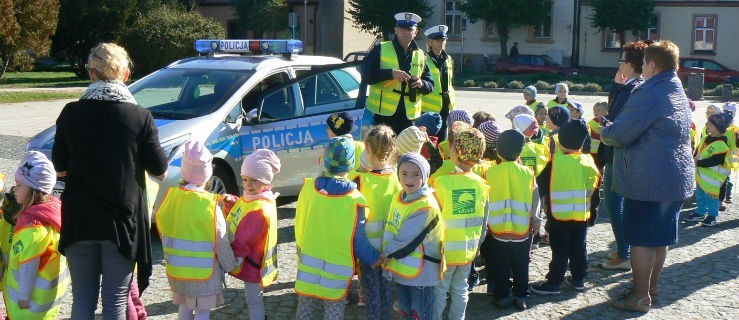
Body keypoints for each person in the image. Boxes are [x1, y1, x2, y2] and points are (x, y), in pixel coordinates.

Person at [51, 42, 168, 319]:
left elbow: (60, 169)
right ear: (126, 75)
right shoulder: (140, 117)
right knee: (115, 300)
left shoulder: (71, 113)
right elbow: (160, 171)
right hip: (122, 221)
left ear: (91, 74)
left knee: (83, 298)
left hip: (80, 216)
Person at [600, 40, 694, 313]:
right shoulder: (676, 87)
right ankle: (650, 288)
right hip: (675, 177)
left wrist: (605, 131)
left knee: (641, 238)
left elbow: (620, 134)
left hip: (649, 179)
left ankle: (640, 296)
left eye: (643, 65)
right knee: (658, 238)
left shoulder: (649, 92)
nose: (641, 69)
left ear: (652, 65)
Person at [294, 136, 381, 320]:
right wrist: (373, 257)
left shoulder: (309, 189)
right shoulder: (355, 199)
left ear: (326, 161)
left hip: (309, 264)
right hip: (337, 270)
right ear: (351, 165)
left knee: (305, 309)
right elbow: (359, 239)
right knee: (333, 311)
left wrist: (301, 249)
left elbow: (299, 224)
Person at [155, 141, 238, 320]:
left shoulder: (171, 197)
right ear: (207, 176)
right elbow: (220, 239)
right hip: (203, 273)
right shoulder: (210, 204)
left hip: (178, 270)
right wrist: (231, 264)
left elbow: (162, 227)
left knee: (185, 306)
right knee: (203, 311)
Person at [530, 120, 599, 295]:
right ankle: (578, 279)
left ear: (559, 142)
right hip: (581, 216)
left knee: (560, 251)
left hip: (558, 217)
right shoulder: (589, 162)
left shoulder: (554, 164)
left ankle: (554, 282)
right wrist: (592, 215)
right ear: (583, 142)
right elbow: (595, 191)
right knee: (579, 247)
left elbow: (541, 187)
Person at [599, 40, 648, 271]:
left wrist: (607, 125)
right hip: (618, 152)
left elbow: (617, 117)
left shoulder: (632, 88)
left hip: (620, 152)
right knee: (616, 203)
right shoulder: (628, 85)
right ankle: (623, 249)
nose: (619, 63)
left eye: (621, 59)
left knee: (613, 202)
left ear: (630, 64)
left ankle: (624, 253)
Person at [432, 126, 490, 320]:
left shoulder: (441, 183)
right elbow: (484, 221)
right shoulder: (482, 186)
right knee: (461, 288)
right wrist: (477, 245)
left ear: (454, 152)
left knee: (439, 290)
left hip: (445, 251)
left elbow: (433, 220)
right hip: (468, 250)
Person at [3, 151, 69, 319]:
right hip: (47, 303)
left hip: (28, 308)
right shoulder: (52, 211)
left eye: (19, 185)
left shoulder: (33, 228)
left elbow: (29, 267)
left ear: (34, 191)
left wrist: (23, 297)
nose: (14, 189)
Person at [381, 152, 444, 320]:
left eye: (416, 174)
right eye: (404, 173)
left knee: (421, 314)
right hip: (403, 270)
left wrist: (385, 253)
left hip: (421, 274)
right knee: (406, 311)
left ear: (425, 176)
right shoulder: (399, 196)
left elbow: (406, 240)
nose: (409, 179)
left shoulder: (426, 206)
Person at [349, 125, 401, 319]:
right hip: (389, 246)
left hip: (367, 248)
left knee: (371, 291)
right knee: (386, 289)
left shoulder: (359, 179)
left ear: (367, 149)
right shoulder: (397, 178)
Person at [485, 129, 541, 311]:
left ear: (498, 151)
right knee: (521, 265)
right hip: (521, 231)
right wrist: (536, 221)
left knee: (500, 265)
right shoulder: (528, 174)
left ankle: (501, 296)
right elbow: (535, 199)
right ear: (521, 151)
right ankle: (520, 296)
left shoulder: (490, 173)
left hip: (498, 230)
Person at [226, 149, 281, 320]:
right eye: (244, 180)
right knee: (253, 298)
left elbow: (244, 238)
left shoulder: (259, 209)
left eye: (254, 181)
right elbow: (242, 210)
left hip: (253, 262)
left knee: (253, 299)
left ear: (266, 181)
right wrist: (232, 203)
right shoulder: (252, 198)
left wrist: (230, 258)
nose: (248, 185)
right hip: (252, 260)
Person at [365, 12, 434, 135]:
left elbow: (430, 85)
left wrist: (421, 83)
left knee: (405, 153)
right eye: (402, 29)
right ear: (396, 30)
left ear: (416, 32)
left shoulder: (421, 55)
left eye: (409, 30)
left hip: (409, 118)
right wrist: (390, 74)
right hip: (384, 117)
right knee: (383, 153)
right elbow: (366, 75)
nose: (406, 33)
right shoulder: (381, 48)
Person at [683, 113, 731, 227]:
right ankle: (700, 212)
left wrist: (698, 163)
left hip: (712, 178)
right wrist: (694, 158)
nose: (707, 125)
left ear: (718, 127)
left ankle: (712, 216)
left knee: (712, 196)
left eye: (710, 123)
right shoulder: (705, 137)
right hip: (701, 175)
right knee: (700, 194)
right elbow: (698, 151)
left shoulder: (722, 144)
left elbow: (715, 161)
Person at [422, 25, 455, 142]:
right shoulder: (423, 59)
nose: (441, 42)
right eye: (438, 39)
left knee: (442, 140)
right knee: (428, 141)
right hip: (428, 108)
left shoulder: (448, 59)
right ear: (430, 42)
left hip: (445, 107)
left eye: (443, 39)